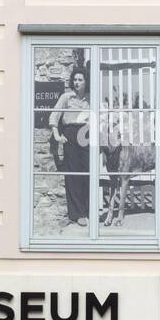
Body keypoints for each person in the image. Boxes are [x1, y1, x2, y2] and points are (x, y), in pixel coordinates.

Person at [48, 66, 90, 228]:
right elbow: (54, 115)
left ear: (86, 82)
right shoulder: (66, 97)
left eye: (80, 79)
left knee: (87, 172)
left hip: (86, 135)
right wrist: (57, 136)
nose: (77, 82)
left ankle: (87, 210)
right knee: (73, 175)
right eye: (75, 79)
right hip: (70, 135)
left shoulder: (90, 98)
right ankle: (77, 214)